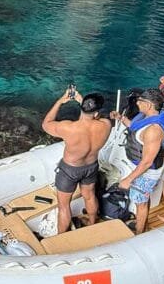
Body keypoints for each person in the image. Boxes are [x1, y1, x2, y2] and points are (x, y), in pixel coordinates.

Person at [41, 88, 112, 233]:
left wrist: (61, 101)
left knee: (64, 206)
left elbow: (46, 124)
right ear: (97, 113)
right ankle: (92, 224)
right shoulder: (106, 125)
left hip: (70, 170)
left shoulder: (69, 128)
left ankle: (61, 237)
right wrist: (82, 101)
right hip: (91, 167)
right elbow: (96, 117)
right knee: (90, 196)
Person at [111, 88, 164, 234]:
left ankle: (139, 232)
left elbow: (147, 162)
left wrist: (128, 179)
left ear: (149, 105)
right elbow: (134, 127)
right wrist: (120, 118)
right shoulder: (146, 117)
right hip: (140, 166)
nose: (137, 103)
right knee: (142, 198)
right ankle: (141, 222)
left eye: (140, 101)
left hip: (147, 172)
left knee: (140, 202)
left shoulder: (154, 130)